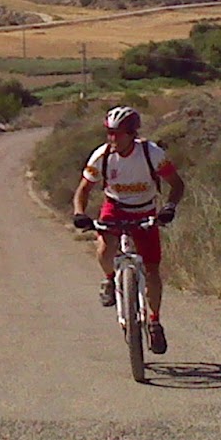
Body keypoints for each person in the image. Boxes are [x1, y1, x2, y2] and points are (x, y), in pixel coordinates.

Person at [71, 105, 185, 355]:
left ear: (132, 134)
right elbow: (83, 190)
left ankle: (154, 322)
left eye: (118, 133)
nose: (112, 138)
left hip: (145, 210)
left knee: (152, 269)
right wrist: (79, 213)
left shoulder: (150, 153)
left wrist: (169, 207)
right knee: (105, 249)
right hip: (115, 208)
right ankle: (110, 279)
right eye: (109, 132)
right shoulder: (102, 156)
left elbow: (177, 184)